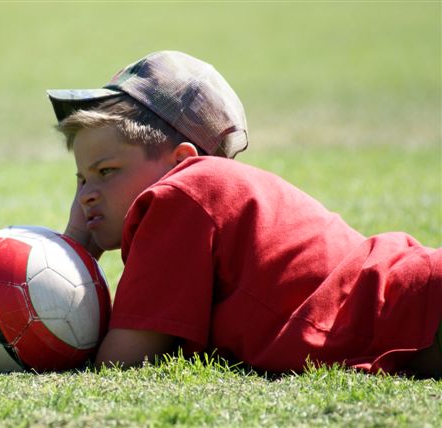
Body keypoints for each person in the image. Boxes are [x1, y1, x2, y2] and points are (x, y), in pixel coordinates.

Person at [46, 50, 442, 377]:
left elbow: (124, 359)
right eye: (81, 180)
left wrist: (76, 248)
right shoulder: (205, 195)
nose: (86, 196)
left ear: (181, 161)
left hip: (419, 300)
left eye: (106, 172)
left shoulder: (182, 194)